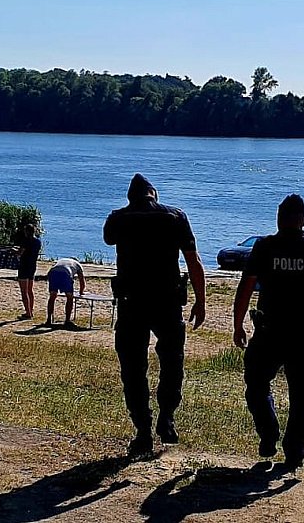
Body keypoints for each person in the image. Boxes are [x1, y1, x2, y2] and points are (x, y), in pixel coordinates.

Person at [233, 194, 304, 471]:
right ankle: (294, 452)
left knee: (257, 385)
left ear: (278, 218)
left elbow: (245, 287)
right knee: (301, 397)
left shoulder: (265, 247)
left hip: (270, 332)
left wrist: (238, 324)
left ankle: (269, 432)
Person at [104, 173, 206, 460]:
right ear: (154, 194)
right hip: (167, 301)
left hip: (132, 303)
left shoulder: (118, 218)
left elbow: (108, 239)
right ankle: (167, 417)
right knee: (172, 360)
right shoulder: (175, 217)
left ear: (130, 197)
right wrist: (200, 300)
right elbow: (193, 261)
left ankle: (143, 430)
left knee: (133, 368)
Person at [45, 257, 86, 327]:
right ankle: (67, 320)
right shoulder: (78, 265)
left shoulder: (61, 260)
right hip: (66, 273)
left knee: (52, 296)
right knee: (69, 297)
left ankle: (49, 319)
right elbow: (82, 281)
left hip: (52, 272)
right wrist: (81, 292)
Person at [15, 224, 42, 319]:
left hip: (24, 266)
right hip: (32, 266)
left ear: (26, 231)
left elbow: (20, 253)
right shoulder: (37, 242)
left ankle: (28, 313)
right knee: (30, 290)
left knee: (24, 291)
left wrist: (14, 251)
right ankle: (31, 310)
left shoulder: (26, 241)